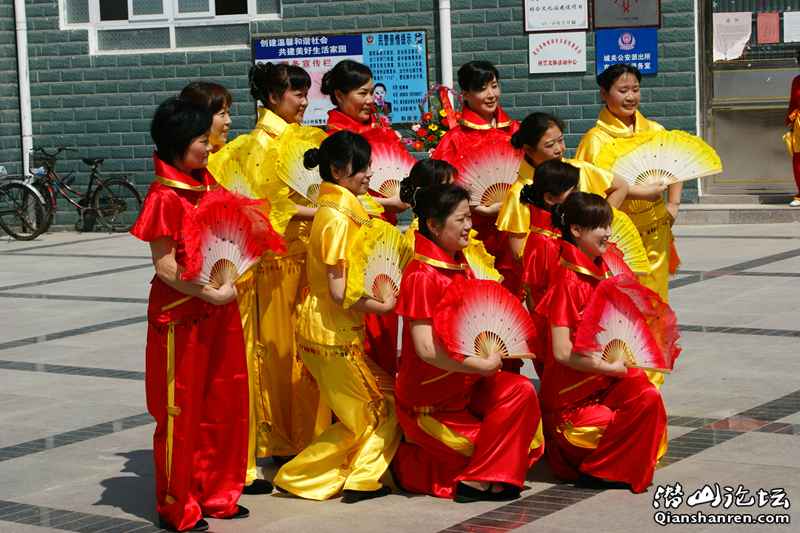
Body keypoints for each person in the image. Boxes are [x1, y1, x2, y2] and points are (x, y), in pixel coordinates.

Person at [131, 97, 249, 531]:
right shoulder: (164, 197)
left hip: (220, 309)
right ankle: (177, 504)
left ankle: (217, 492)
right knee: (180, 410)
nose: (210, 146)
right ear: (179, 144)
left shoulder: (208, 183)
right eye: (202, 140)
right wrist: (207, 291)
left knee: (224, 403)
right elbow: (165, 267)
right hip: (181, 316)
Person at [392, 183, 544, 502]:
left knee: (521, 391)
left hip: (467, 388)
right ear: (434, 225)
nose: (469, 226)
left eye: (469, 217)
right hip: (430, 403)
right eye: (460, 219)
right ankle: (413, 466)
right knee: (482, 446)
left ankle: (480, 477)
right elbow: (426, 349)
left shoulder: (461, 264)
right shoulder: (421, 275)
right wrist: (479, 365)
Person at [273, 131, 401, 502]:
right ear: (337, 170)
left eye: (368, 166)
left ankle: (348, 476)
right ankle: (308, 476)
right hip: (331, 335)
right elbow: (339, 291)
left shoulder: (335, 211)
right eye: (361, 168)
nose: (368, 174)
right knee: (376, 411)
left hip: (330, 329)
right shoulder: (338, 219)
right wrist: (383, 305)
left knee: (371, 408)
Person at [534, 192, 667, 494]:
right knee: (606, 420)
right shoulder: (567, 281)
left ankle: (611, 467)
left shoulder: (606, 269)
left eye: (608, 225)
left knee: (647, 394)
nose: (607, 232)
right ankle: (593, 467)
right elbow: (561, 352)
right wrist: (608, 367)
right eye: (599, 226)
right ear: (576, 230)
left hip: (604, 382)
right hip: (572, 398)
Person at [322, 59, 407, 375]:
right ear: (339, 96)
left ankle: (385, 391)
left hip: (385, 237)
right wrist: (387, 201)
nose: (370, 100)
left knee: (387, 322)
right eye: (362, 93)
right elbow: (336, 194)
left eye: (372, 92)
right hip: (354, 238)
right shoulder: (334, 139)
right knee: (364, 322)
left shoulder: (381, 130)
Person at [574, 64, 676, 304]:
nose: (631, 97)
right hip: (617, 232)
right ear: (604, 93)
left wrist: (674, 204)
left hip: (656, 229)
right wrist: (637, 191)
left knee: (656, 297)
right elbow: (591, 192)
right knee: (623, 298)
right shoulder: (595, 140)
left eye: (635, 89)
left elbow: (677, 163)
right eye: (623, 90)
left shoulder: (655, 130)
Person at [433, 60, 519, 293]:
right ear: (466, 95)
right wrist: (477, 207)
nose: (491, 95)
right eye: (482, 89)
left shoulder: (517, 132)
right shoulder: (454, 140)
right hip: (473, 231)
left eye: (494, 86)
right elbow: (440, 192)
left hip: (514, 230)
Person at [497, 112, 629, 260]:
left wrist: (597, 223)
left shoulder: (580, 168)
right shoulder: (519, 192)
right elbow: (518, 252)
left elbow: (621, 186)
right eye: (550, 145)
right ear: (529, 150)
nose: (559, 149)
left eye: (560, 140)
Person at [517, 159, 579, 377]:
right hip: (553, 324)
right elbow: (540, 296)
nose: (578, 196)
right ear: (550, 198)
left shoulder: (552, 232)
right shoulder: (544, 242)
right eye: (573, 192)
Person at [179, 82, 232, 154]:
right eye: (222, 113)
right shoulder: (188, 159)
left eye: (228, 113)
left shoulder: (235, 153)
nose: (229, 121)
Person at [787, 72, 800, 207]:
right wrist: (790, 122)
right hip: (799, 123)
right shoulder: (797, 80)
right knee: (798, 159)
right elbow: (793, 102)